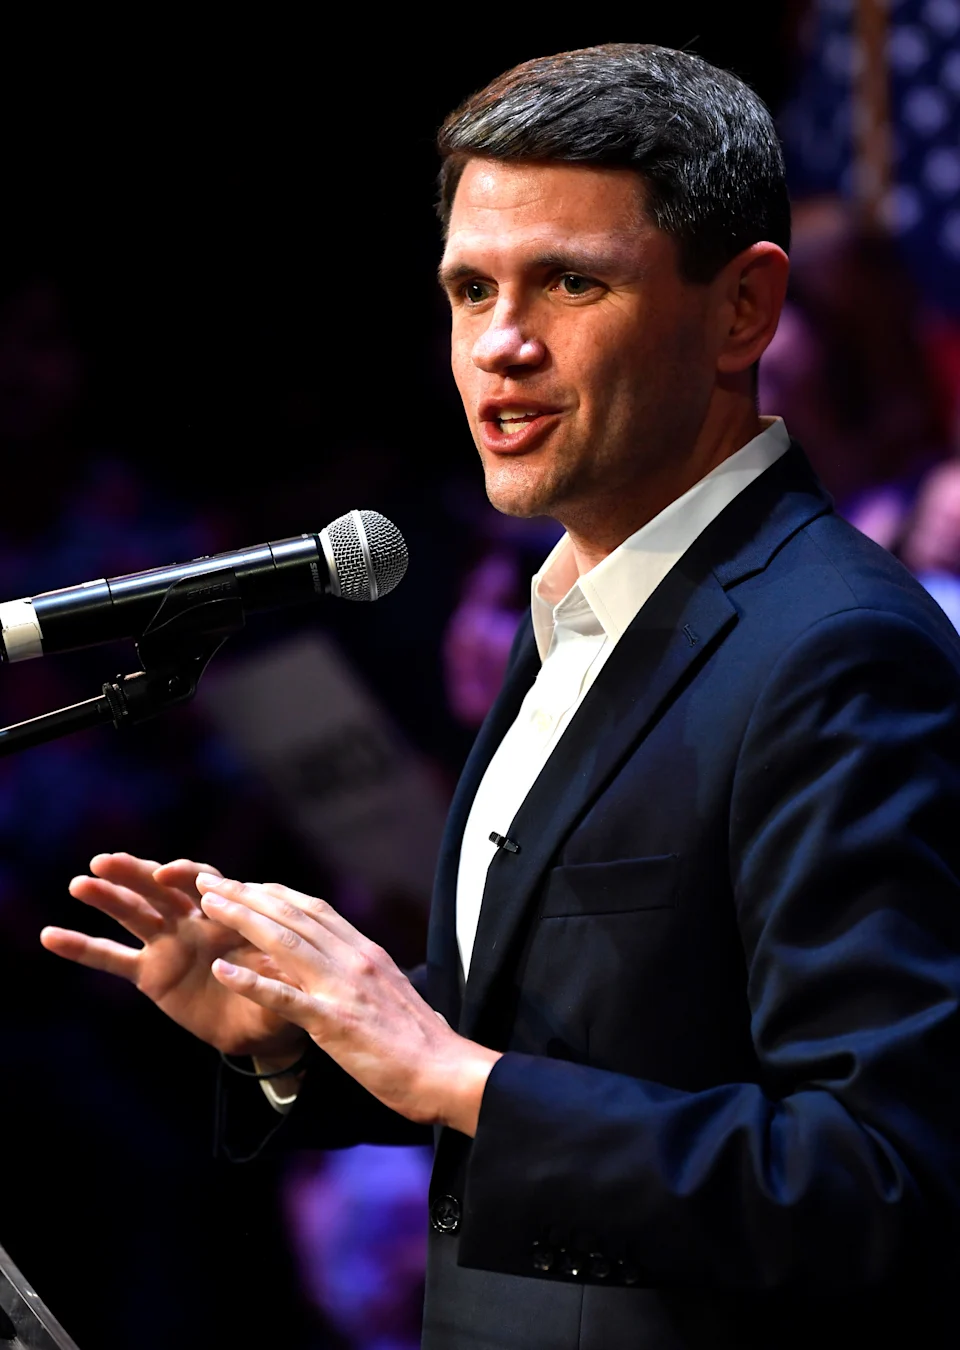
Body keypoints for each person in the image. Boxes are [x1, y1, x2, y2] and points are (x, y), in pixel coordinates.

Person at [40, 44, 960, 1349]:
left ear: (744, 311)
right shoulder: (575, 612)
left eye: (570, 282)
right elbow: (577, 1028)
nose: (501, 346)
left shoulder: (839, 651)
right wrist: (296, 1031)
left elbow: (879, 1178)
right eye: (471, 290)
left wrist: (451, 1072)